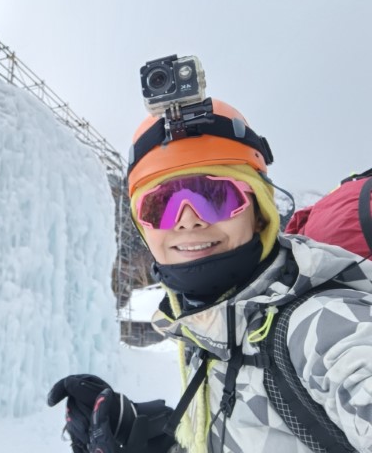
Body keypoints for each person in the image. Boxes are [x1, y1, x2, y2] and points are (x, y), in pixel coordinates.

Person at [48, 98, 372, 452]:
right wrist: (138, 438)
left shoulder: (326, 328)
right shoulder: (213, 325)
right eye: (159, 206)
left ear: (260, 212)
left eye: (215, 195)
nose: (188, 219)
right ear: (143, 229)